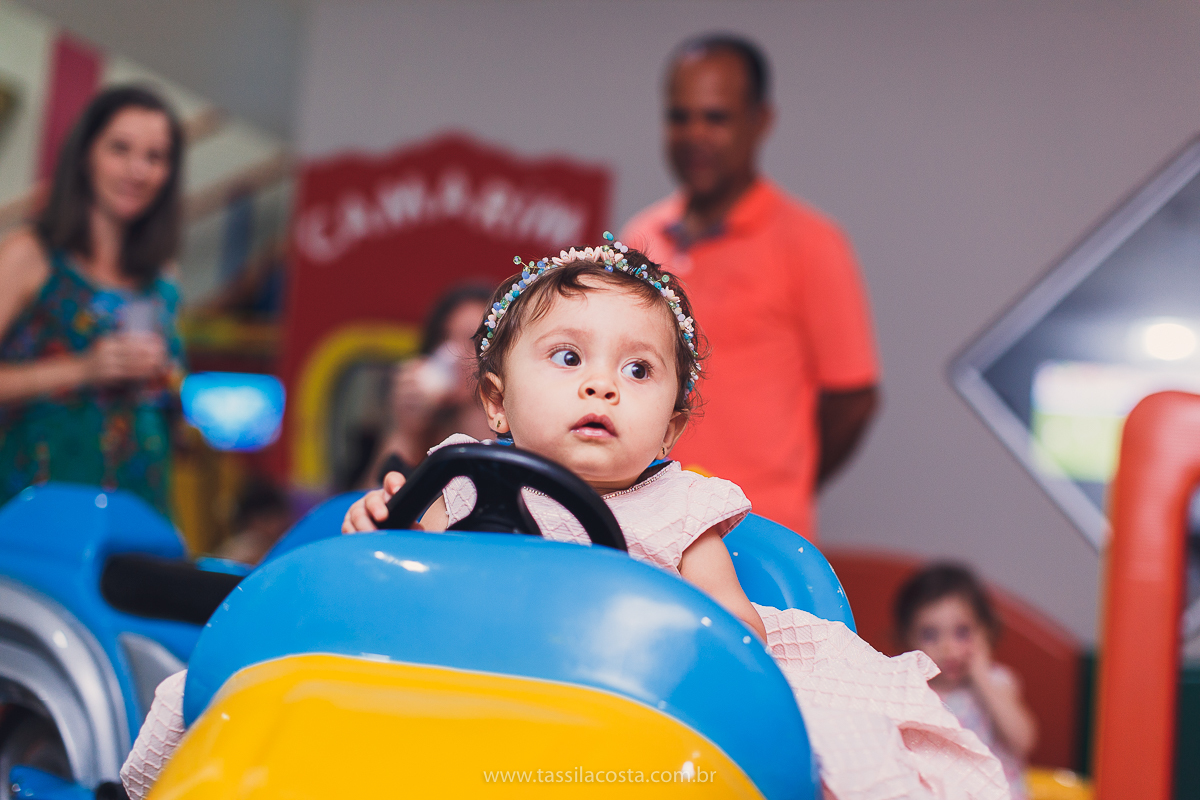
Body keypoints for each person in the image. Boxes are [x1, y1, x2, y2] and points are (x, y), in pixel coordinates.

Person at [120, 241, 1007, 800]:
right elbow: (388, 601)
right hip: (457, 702)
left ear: (671, 420)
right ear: (496, 405)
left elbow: (728, 633)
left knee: (843, 749)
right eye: (570, 358)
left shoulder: (685, 509)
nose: (601, 386)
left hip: (616, 720)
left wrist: (656, 607)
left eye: (638, 372)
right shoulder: (451, 487)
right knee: (234, 692)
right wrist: (372, 538)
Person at [620, 34, 879, 540]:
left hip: (760, 533)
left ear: (760, 121)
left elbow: (853, 401)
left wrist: (784, 482)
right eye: (679, 116)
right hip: (647, 529)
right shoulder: (640, 236)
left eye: (715, 117)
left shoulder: (812, 243)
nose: (695, 133)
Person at [0, 86, 185, 515]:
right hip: (36, 507)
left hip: (139, 504)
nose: (137, 171)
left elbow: (171, 391)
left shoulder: (163, 277)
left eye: (155, 157)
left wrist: (167, 379)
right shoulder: (31, 253)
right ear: (86, 154)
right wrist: (83, 368)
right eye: (120, 149)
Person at [896, 564, 1038, 800]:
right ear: (907, 638)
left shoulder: (997, 682)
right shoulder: (912, 691)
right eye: (930, 635)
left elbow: (1024, 741)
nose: (948, 648)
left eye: (962, 632)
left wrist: (981, 677)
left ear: (985, 631)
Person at [359, 284, 493, 485]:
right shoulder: (424, 441)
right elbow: (371, 502)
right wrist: (405, 431)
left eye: (471, 340)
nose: (450, 352)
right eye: (444, 337)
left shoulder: (522, 438)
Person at [212, 476, 292, 565]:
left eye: (281, 517)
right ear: (254, 520)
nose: (280, 524)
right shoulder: (251, 548)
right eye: (270, 519)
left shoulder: (270, 545)